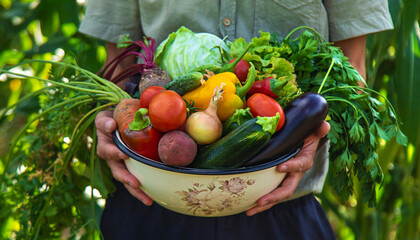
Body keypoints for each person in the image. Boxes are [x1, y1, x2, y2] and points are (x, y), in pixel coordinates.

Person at [79, 0, 393, 239]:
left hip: (280, 209)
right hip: (153, 200)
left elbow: (352, 68)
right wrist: (113, 124)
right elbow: (118, 68)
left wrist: (313, 134)